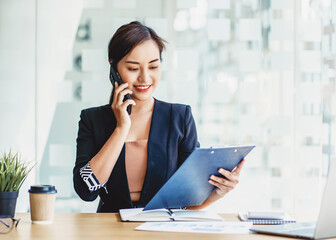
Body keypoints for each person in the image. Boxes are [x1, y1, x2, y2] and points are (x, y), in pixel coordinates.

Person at [73, 21, 245, 213]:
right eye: (133, 68)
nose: (145, 78)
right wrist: (121, 129)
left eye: (153, 67)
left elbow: (189, 198)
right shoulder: (93, 119)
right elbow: (86, 190)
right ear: (114, 69)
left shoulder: (179, 118)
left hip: (162, 227)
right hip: (111, 228)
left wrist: (220, 191)